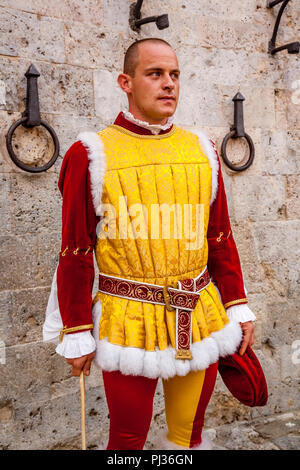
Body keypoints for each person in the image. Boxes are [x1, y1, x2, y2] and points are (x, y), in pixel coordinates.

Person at [43, 38, 256, 450]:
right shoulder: (90, 153)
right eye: (155, 74)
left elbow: (220, 238)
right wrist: (77, 330)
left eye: (174, 75)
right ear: (126, 81)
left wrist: (238, 305)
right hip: (129, 318)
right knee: (126, 439)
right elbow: (75, 249)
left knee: (188, 435)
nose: (168, 84)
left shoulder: (202, 150)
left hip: (200, 314)